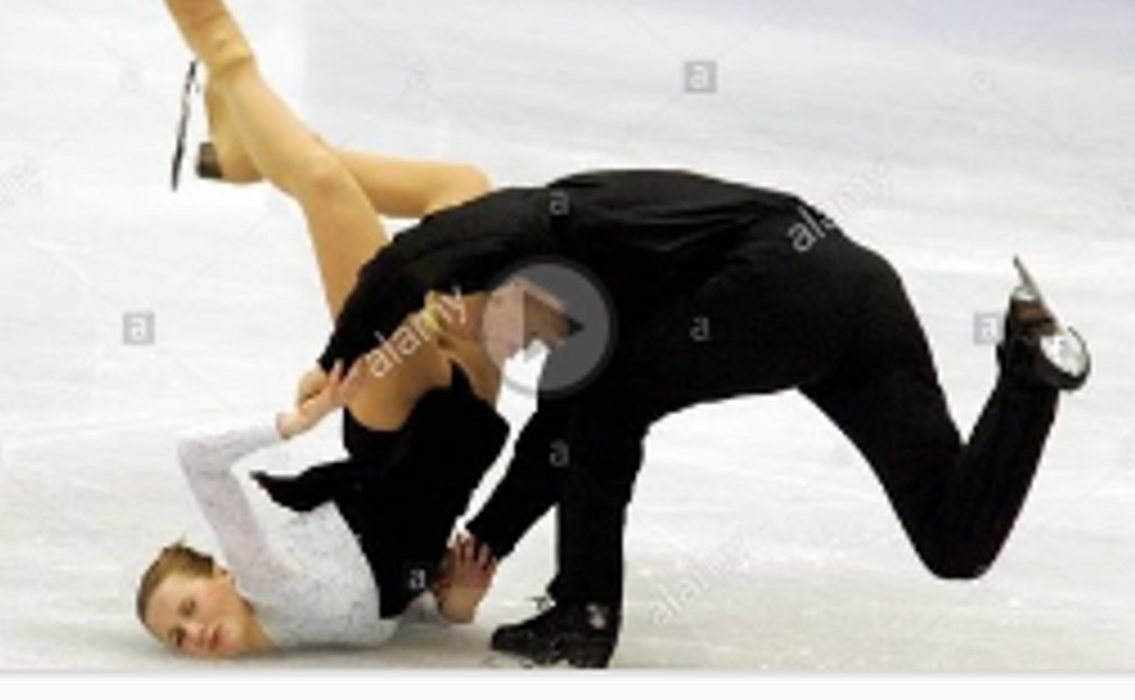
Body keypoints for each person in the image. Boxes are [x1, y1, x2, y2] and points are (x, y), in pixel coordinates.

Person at [310, 168, 1092, 667]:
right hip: (859, 294)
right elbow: (553, 450)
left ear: (504, 282)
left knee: (611, 401)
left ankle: (585, 612)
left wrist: (339, 352)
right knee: (956, 542)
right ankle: (1031, 372)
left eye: (492, 324)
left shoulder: (555, 220)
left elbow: (425, 251)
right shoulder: (592, 332)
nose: (502, 347)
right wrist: (480, 547)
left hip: (784, 272)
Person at [138, 0, 512, 657]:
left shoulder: (264, 576)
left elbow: (196, 458)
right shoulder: (322, 632)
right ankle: (255, 153)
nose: (194, 632)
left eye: (188, 608)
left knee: (323, 185)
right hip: (464, 421)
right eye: (178, 635)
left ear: (224, 574)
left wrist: (295, 423)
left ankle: (222, 51)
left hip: (396, 412)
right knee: (463, 189)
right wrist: (454, 604)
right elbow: (409, 599)